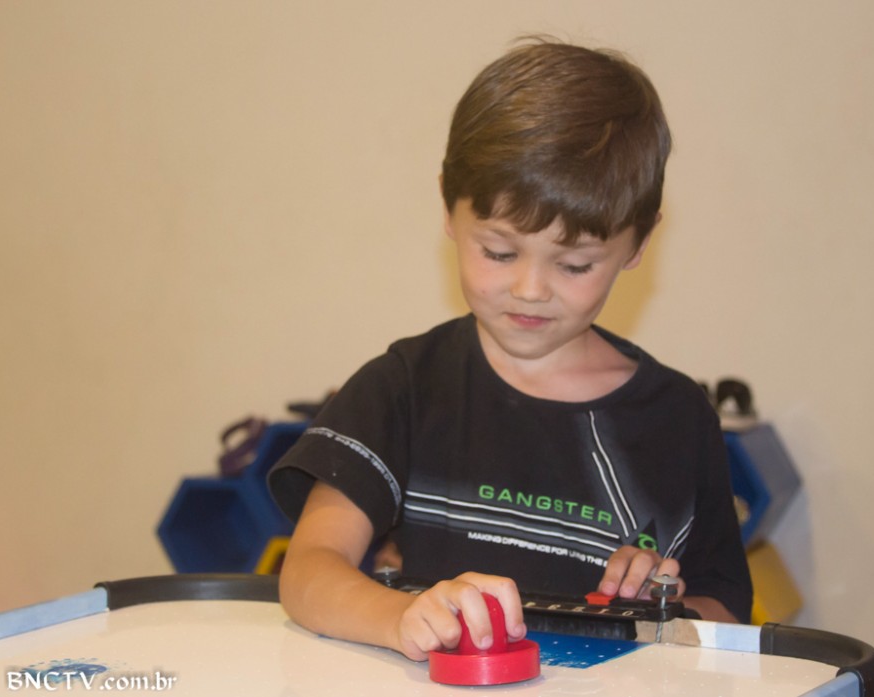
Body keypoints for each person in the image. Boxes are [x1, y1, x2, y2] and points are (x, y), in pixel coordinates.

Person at [268, 38, 751, 662]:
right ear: (449, 207)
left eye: (574, 264)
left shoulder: (677, 418)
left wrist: (662, 605)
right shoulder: (404, 388)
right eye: (499, 251)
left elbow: (726, 615)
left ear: (638, 243)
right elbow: (309, 570)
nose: (530, 289)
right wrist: (401, 618)